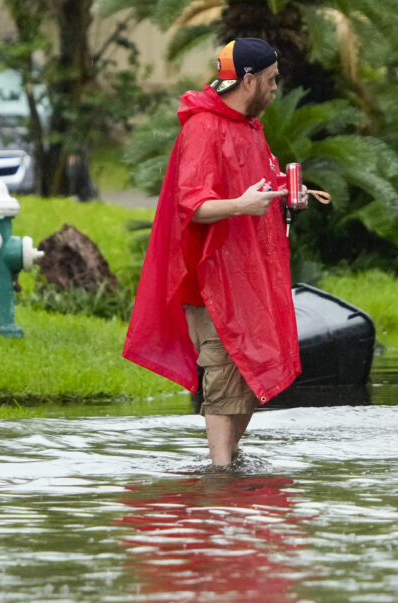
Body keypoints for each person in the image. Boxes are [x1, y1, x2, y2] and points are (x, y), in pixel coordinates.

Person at [123, 38, 301, 467]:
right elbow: (193, 206)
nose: (276, 88)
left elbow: (249, 187)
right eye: (272, 80)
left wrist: (283, 195)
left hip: (245, 277)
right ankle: (220, 475)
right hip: (209, 280)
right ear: (248, 79)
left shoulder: (248, 126)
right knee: (224, 367)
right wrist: (242, 205)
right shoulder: (203, 127)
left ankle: (230, 464)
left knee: (249, 369)